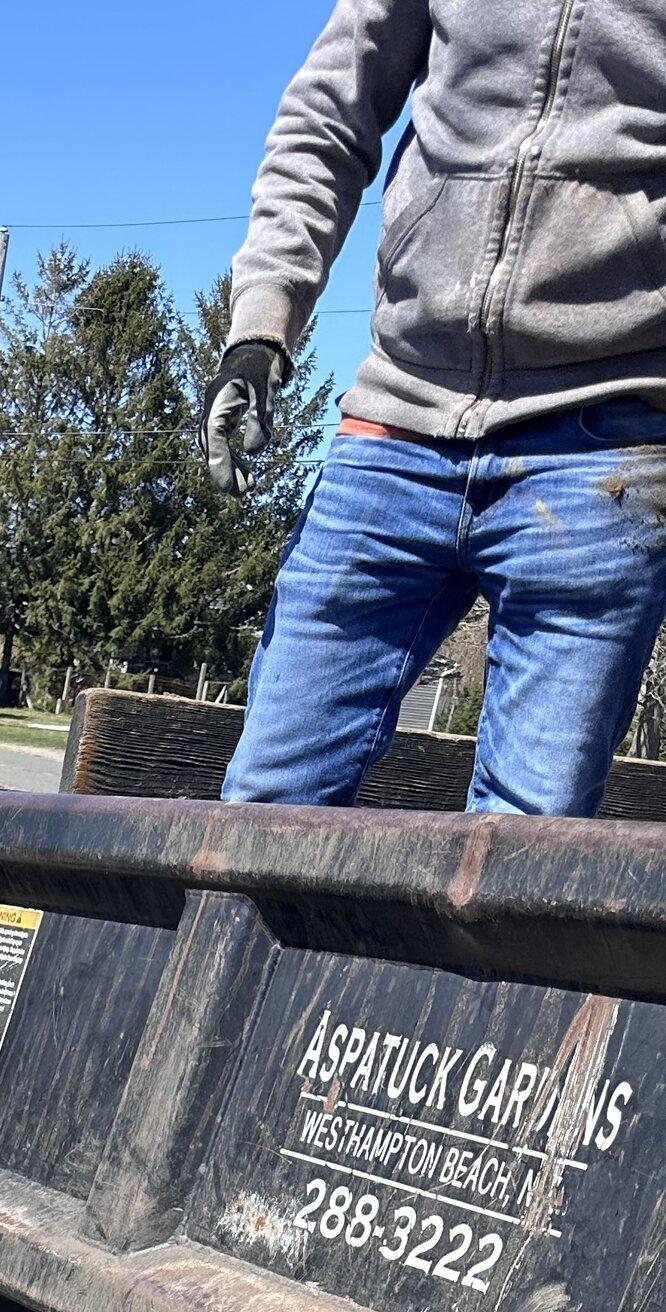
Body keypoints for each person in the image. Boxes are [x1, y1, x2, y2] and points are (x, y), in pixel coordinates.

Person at [206, 0, 666, 815]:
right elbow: (329, 110)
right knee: (263, 810)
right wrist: (261, 325)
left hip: (606, 451)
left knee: (520, 861)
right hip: (396, 424)